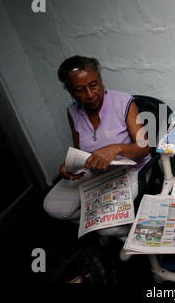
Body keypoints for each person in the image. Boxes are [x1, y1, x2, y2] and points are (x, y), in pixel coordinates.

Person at [43, 56, 151, 237]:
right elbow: (79, 148)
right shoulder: (72, 111)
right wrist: (69, 164)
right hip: (95, 171)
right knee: (52, 207)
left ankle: (121, 232)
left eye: (93, 85)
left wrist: (116, 148)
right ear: (70, 92)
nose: (90, 94)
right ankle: (106, 224)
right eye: (80, 90)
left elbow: (144, 148)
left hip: (130, 171)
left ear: (101, 81)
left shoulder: (124, 102)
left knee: (106, 228)